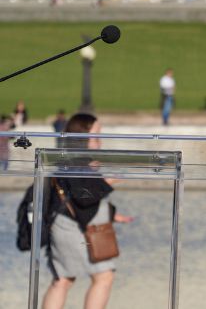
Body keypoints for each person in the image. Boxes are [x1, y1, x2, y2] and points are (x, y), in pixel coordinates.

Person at [41, 113, 134, 309]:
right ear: (81, 136)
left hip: (66, 224)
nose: (99, 141)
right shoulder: (75, 162)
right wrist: (108, 181)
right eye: (95, 136)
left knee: (63, 279)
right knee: (103, 276)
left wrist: (111, 214)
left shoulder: (71, 160)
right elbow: (84, 197)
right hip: (72, 227)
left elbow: (78, 199)